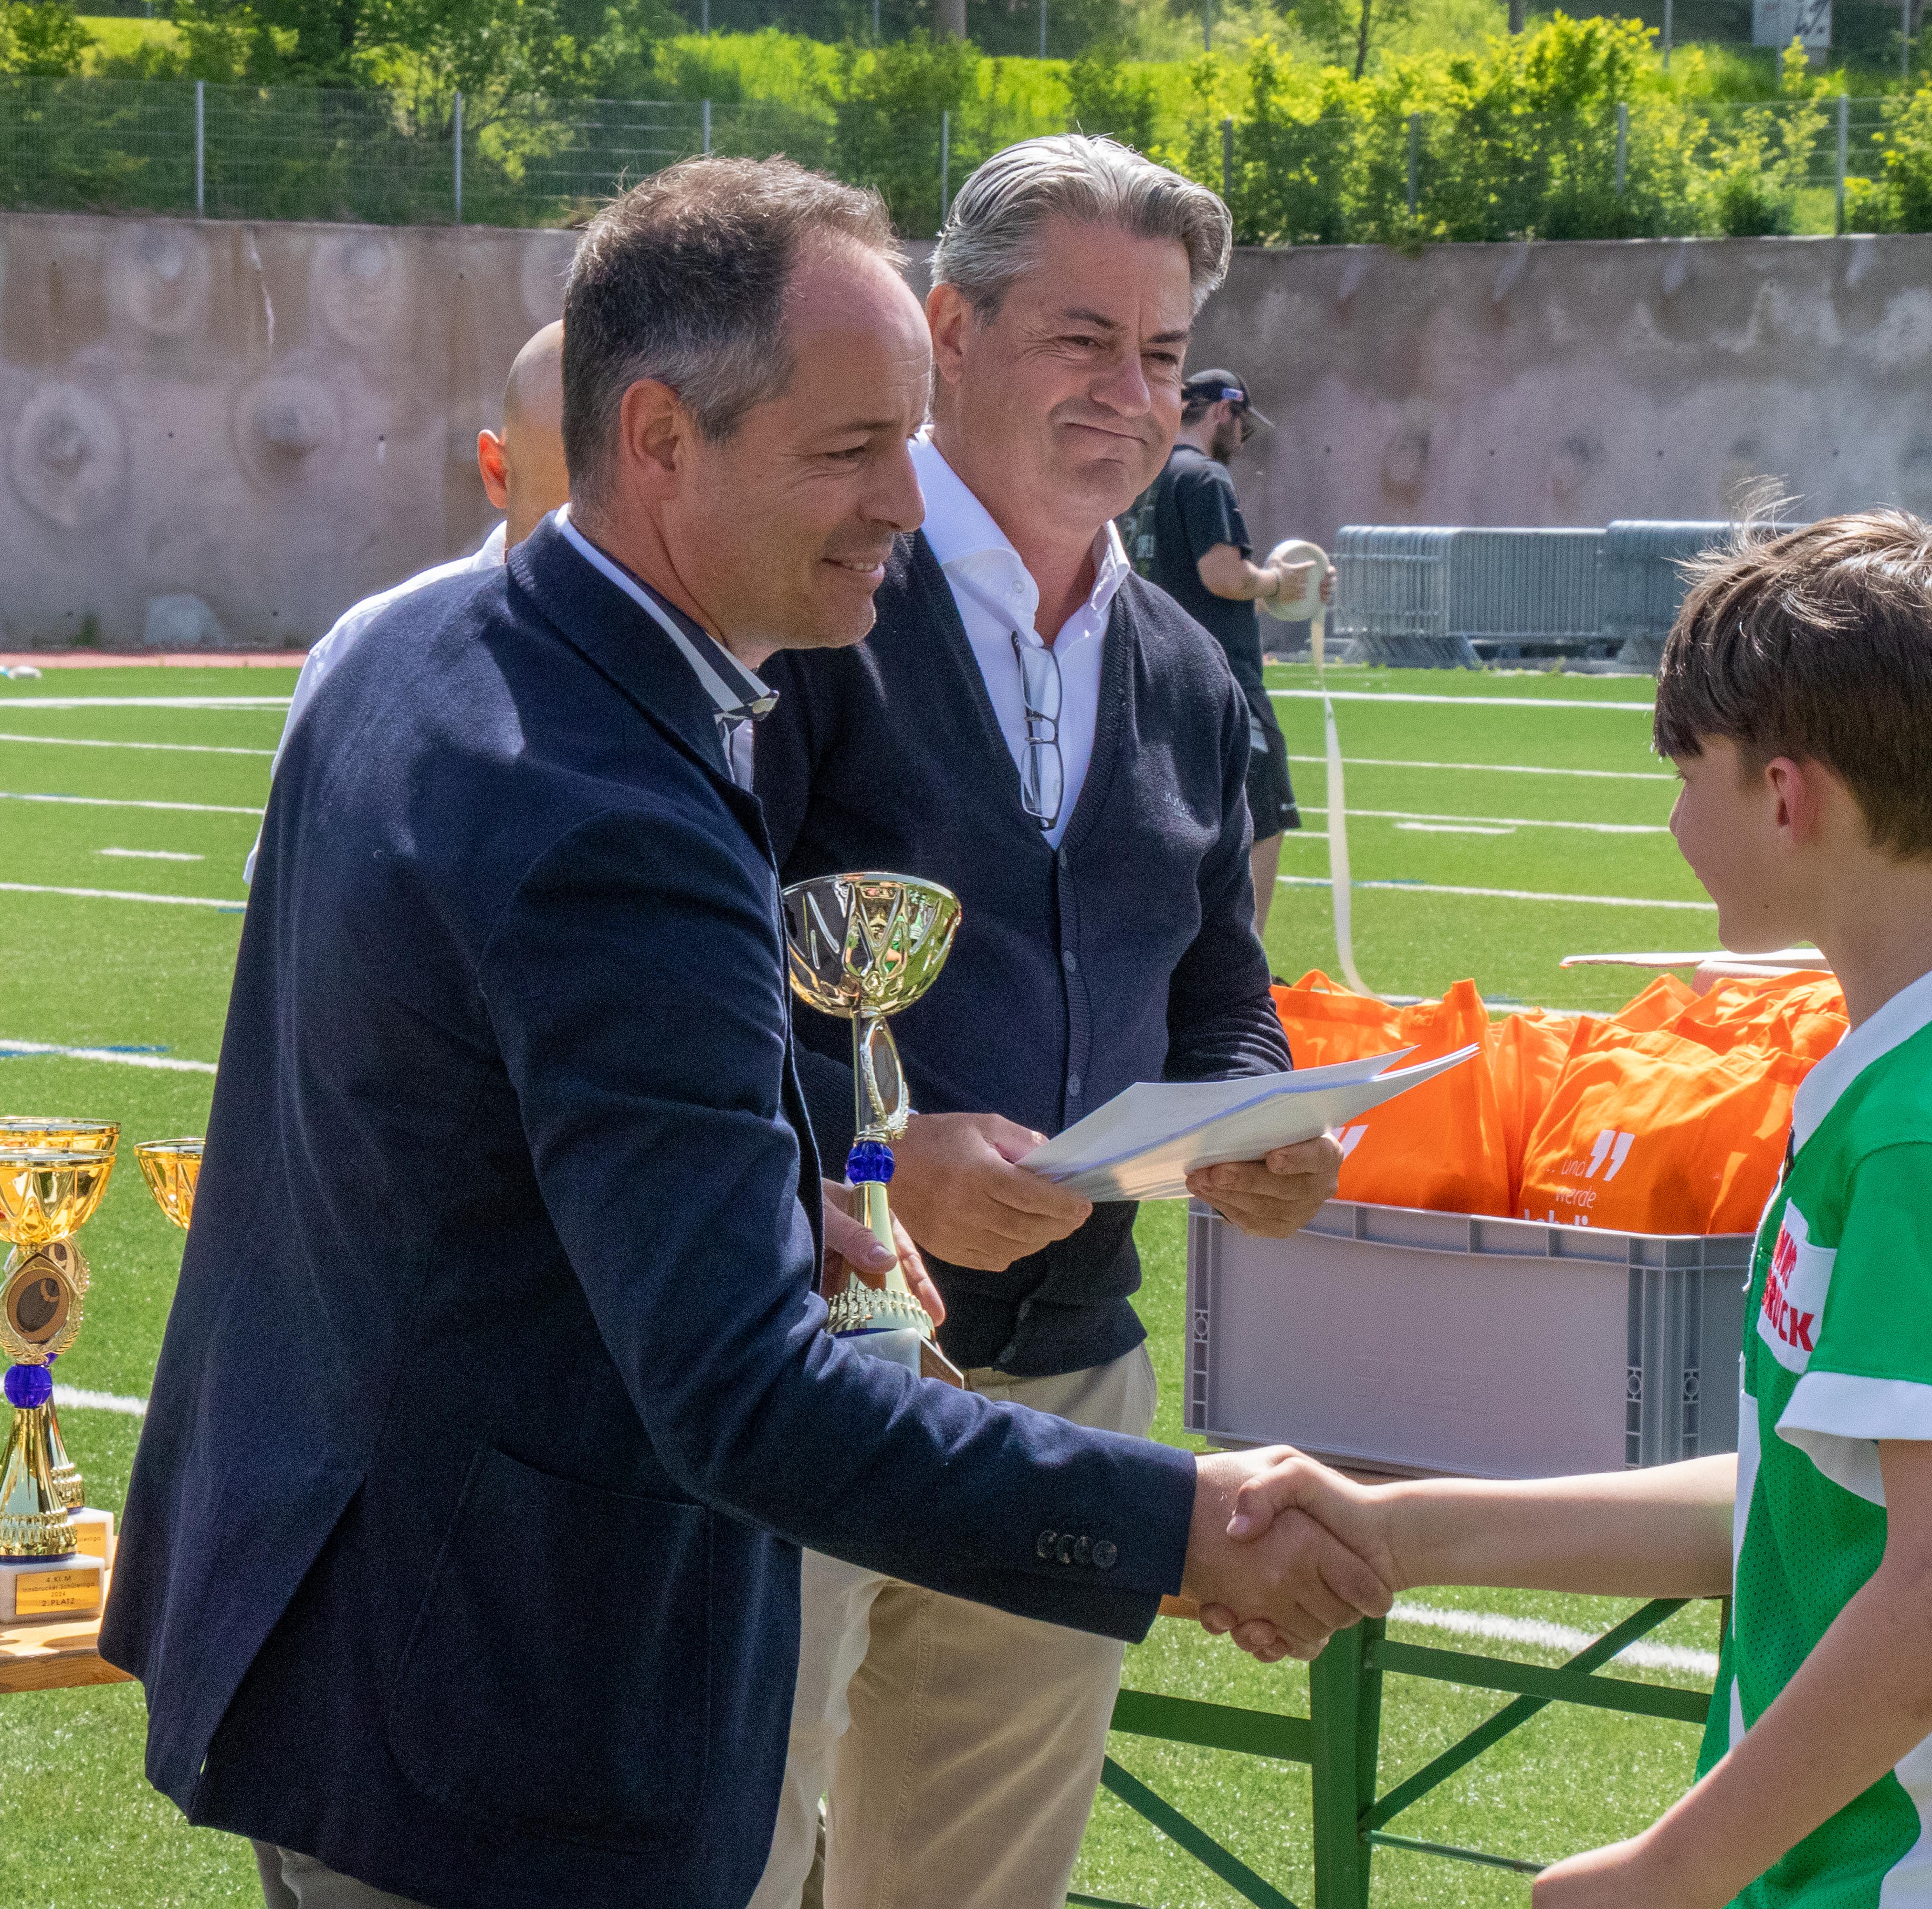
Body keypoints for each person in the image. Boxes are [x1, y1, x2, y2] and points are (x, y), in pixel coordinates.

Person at [99, 157, 1390, 1909]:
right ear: (658, 438)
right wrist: (1177, 1525)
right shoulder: (615, 810)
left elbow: (477, 1128)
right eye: (848, 451)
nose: (895, 506)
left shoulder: (408, 649)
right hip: (512, 1702)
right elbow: (739, 1395)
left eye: (900, 444)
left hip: (363, 1630)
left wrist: (781, 1185)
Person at [1205, 511, 1932, 1909]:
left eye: (1686, 776)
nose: (1675, 822)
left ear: (1787, 796)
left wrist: (1670, 1867)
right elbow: (1814, 1496)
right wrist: (1397, 1532)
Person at [746, 137, 1344, 1909]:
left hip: (1075, 1361)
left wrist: (1254, 1123)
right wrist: (878, 1158)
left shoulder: (1178, 665)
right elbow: (681, 960)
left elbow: (1221, 988)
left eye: (1161, 356)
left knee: (971, 1889)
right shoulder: (813, 602)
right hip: (799, 1355)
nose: (1130, 394)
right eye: (1082, 339)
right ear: (949, 328)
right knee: (722, 1860)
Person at [245, 321, 568, 881]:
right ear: (498, 471)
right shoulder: (366, 651)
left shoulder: (740, 662)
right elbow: (289, 917)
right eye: (581, 500)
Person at [1151, 367, 1313, 931]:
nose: (1243, 440)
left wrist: (1277, 594)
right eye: (1243, 425)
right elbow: (1224, 577)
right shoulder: (1206, 478)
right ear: (1225, 411)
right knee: (1263, 817)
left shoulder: (1150, 476)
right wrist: (1278, 581)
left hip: (1155, 677)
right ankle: (1249, 971)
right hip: (1224, 686)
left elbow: (1193, 589)